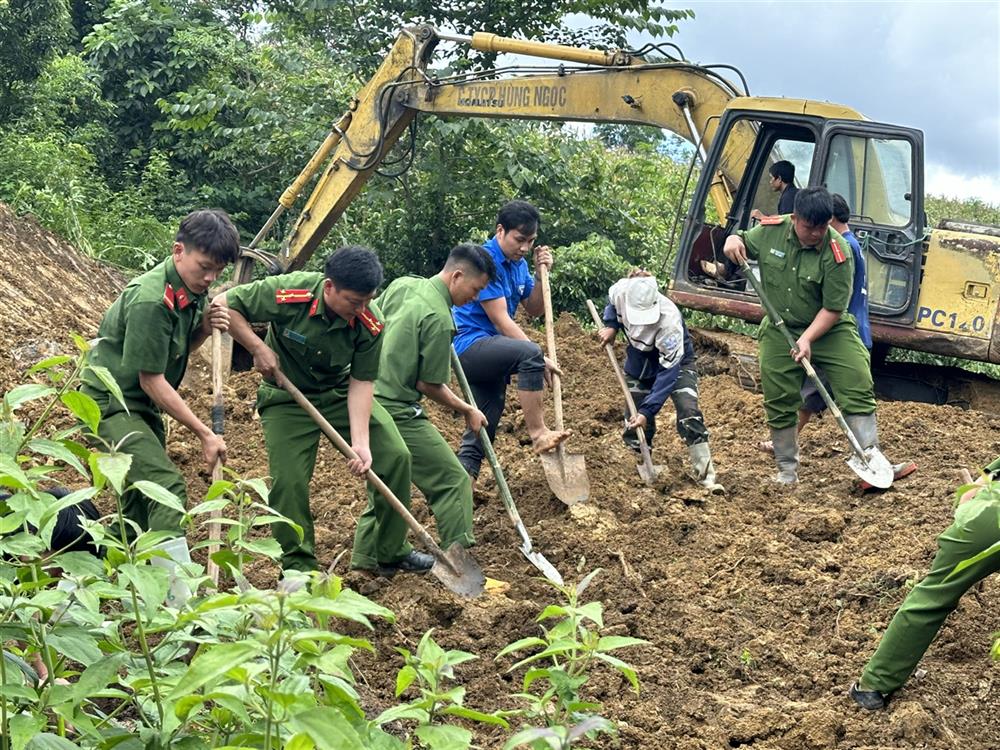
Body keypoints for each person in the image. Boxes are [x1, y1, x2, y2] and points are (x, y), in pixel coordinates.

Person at [218, 246, 430, 577]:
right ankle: (298, 567)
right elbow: (223, 306)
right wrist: (257, 347)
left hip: (338, 393)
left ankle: (388, 551)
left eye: (366, 301)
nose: (360, 310)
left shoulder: (370, 322)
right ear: (329, 287)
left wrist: (361, 442)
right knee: (289, 484)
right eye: (353, 302)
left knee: (395, 456)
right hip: (286, 398)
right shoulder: (292, 292)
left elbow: (362, 381)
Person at [722, 187, 907, 484]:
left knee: (857, 375)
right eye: (811, 227)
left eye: (823, 227)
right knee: (779, 394)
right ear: (795, 218)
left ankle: (869, 454)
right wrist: (733, 239)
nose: (818, 234)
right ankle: (786, 469)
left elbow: (834, 308)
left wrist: (807, 339)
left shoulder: (838, 251)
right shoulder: (771, 231)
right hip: (781, 327)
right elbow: (742, 240)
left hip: (828, 328)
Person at [80, 209, 240, 542]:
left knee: (137, 505)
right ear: (178, 251)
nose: (211, 278)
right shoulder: (152, 300)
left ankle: (91, 576)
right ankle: (166, 593)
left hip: (140, 407)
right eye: (205, 267)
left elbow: (175, 350)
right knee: (165, 489)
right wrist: (204, 433)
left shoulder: (190, 289)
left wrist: (205, 329)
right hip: (110, 407)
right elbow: (151, 379)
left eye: (219, 270)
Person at [850, 457, 1000, 709]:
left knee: (935, 594)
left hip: (989, 510)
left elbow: (976, 488)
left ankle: (873, 688)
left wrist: (978, 487)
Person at [374, 244, 496, 552]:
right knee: (453, 481)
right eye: (475, 288)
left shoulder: (403, 284)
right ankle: (459, 557)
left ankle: (370, 558)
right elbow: (428, 384)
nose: (476, 297)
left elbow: (371, 324)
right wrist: (467, 408)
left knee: (389, 484)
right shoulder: (440, 318)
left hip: (364, 397)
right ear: (457, 276)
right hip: (396, 407)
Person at [453, 200, 571, 484]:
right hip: (470, 347)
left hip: (493, 353)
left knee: (483, 428)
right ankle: (539, 433)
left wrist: (542, 274)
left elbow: (533, 308)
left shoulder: (519, 265)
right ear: (500, 231)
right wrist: (535, 356)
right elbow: (501, 321)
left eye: (531, 241)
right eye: (519, 240)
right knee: (530, 352)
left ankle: (458, 492)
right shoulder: (486, 260)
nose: (525, 248)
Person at [598, 271, 724, 493]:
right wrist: (611, 325)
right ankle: (635, 465)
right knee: (633, 414)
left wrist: (649, 410)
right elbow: (611, 306)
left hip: (675, 365)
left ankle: (706, 477)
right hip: (640, 363)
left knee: (688, 410)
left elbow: (668, 375)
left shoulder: (669, 321)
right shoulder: (620, 292)